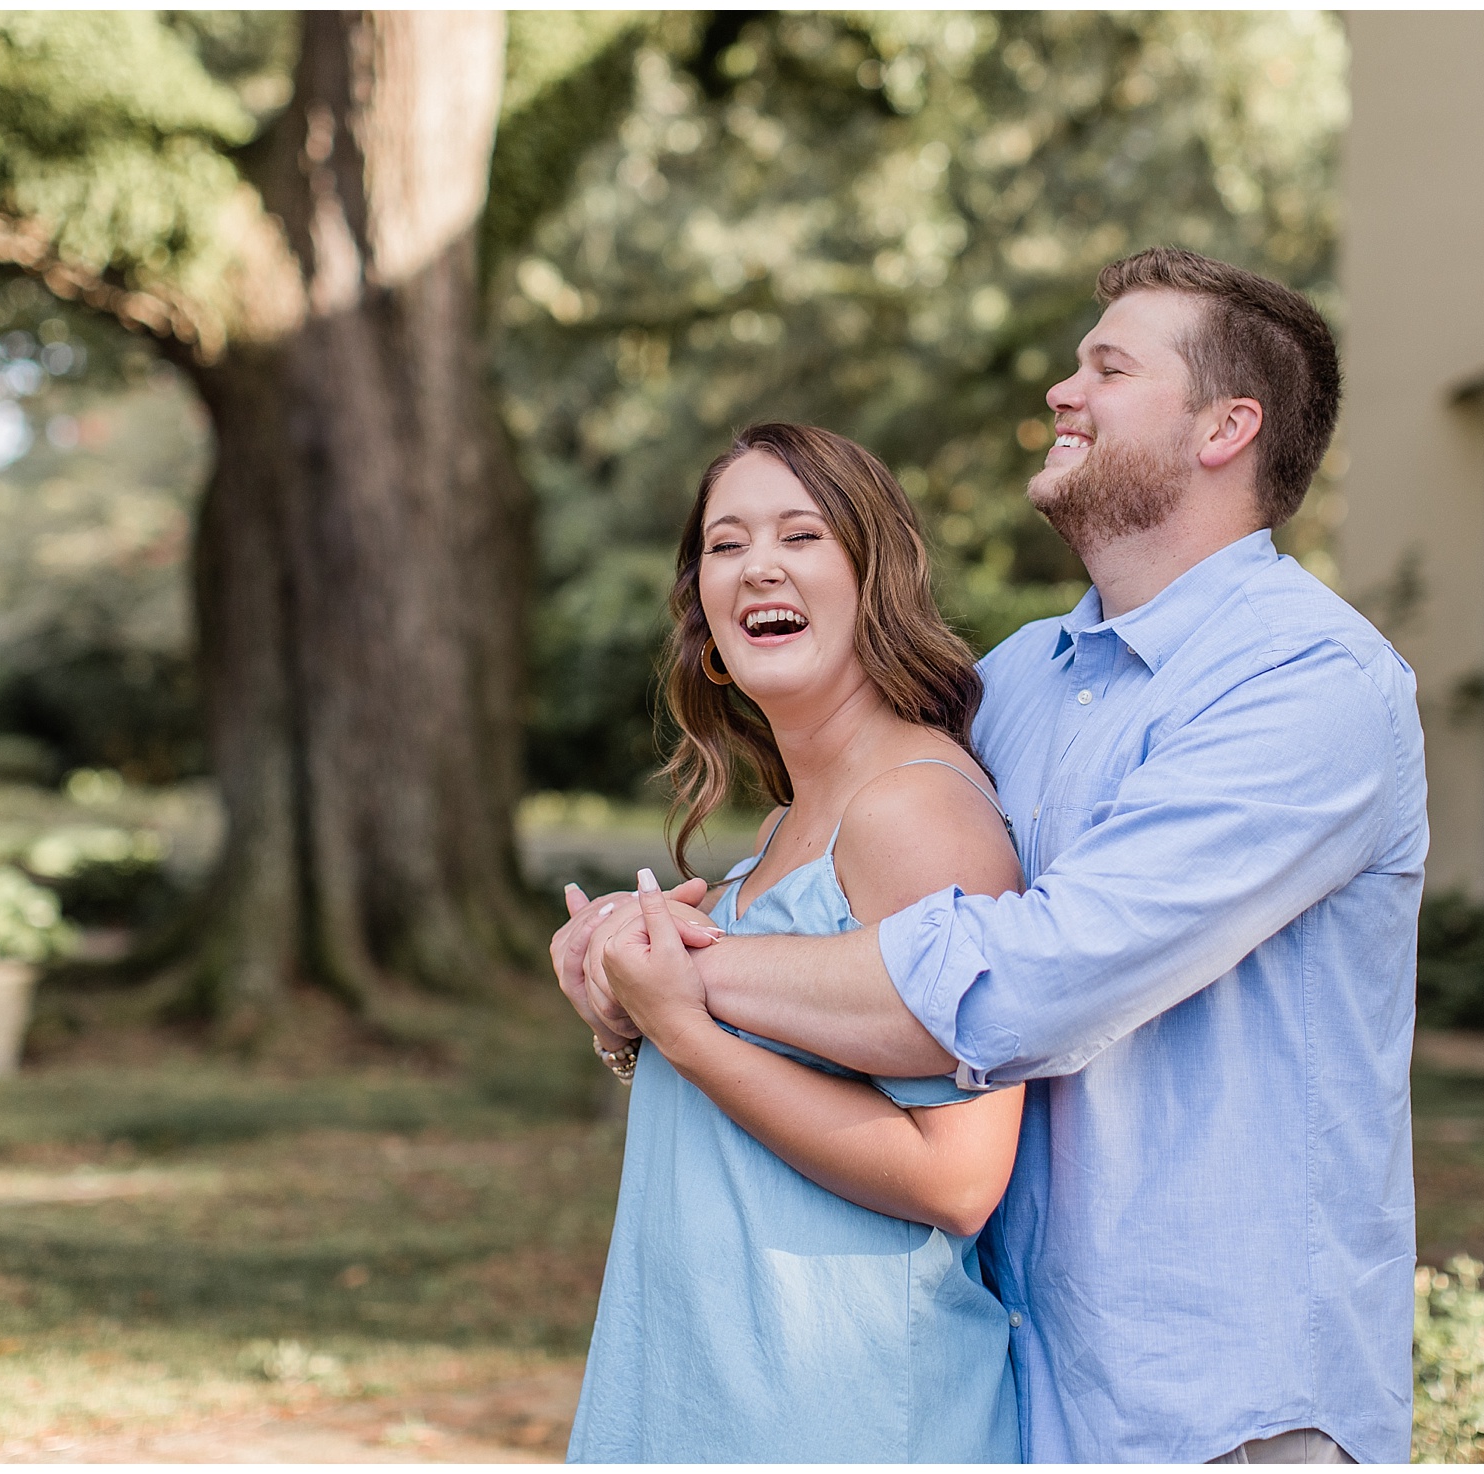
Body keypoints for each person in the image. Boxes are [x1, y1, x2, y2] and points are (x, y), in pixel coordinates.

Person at [583, 247, 1427, 1462]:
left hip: (1223, 1409)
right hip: (1041, 1383)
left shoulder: (1310, 686)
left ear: (1224, 428)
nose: (1061, 394)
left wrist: (675, 975)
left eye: (1108, 367)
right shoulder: (1025, 678)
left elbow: (1030, 976)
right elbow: (848, 879)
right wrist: (637, 946)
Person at [555, 423, 1024, 1463]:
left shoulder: (914, 812)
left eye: (801, 533)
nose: (757, 562)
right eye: (725, 544)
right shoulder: (777, 834)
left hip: (844, 1405)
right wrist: (621, 1014)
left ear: (874, 579)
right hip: (702, 1382)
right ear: (707, 624)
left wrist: (684, 1022)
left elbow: (957, 1178)